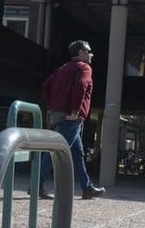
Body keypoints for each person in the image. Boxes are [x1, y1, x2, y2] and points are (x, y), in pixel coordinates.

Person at [35, 40, 106, 200]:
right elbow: (80, 86)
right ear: (80, 53)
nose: (91, 54)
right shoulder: (84, 67)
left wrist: (54, 106)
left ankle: (87, 188)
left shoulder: (62, 69)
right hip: (71, 117)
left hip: (59, 115)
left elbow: (46, 86)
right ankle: (35, 185)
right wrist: (75, 111)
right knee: (55, 151)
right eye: (88, 51)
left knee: (78, 154)